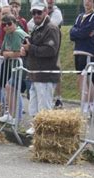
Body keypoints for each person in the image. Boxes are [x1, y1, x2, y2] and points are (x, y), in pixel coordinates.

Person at [20, 0, 61, 134]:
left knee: (44, 107)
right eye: (34, 12)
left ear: (45, 11)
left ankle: (46, 134)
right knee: (34, 105)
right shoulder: (36, 27)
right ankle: (36, 128)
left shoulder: (51, 28)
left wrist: (30, 48)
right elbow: (34, 48)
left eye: (39, 12)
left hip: (46, 74)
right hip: (35, 73)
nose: (36, 15)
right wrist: (25, 50)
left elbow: (50, 50)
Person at [0, 14, 28, 124]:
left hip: (24, 68)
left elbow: (18, 53)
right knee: (10, 87)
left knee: (12, 88)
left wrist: (7, 54)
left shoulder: (17, 33)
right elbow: (2, 51)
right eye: (4, 25)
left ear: (15, 23)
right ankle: (11, 115)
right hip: (15, 68)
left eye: (9, 23)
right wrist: (7, 53)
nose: (7, 26)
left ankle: (14, 117)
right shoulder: (7, 34)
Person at [69, 0, 94, 114]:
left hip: (87, 51)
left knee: (86, 78)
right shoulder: (80, 16)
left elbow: (86, 32)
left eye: (90, 1)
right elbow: (72, 33)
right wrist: (79, 33)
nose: (87, 2)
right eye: (85, 0)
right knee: (81, 78)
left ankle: (88, 105)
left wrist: (79, 33)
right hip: (77, 51)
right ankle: (91, 105)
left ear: (93, 3)